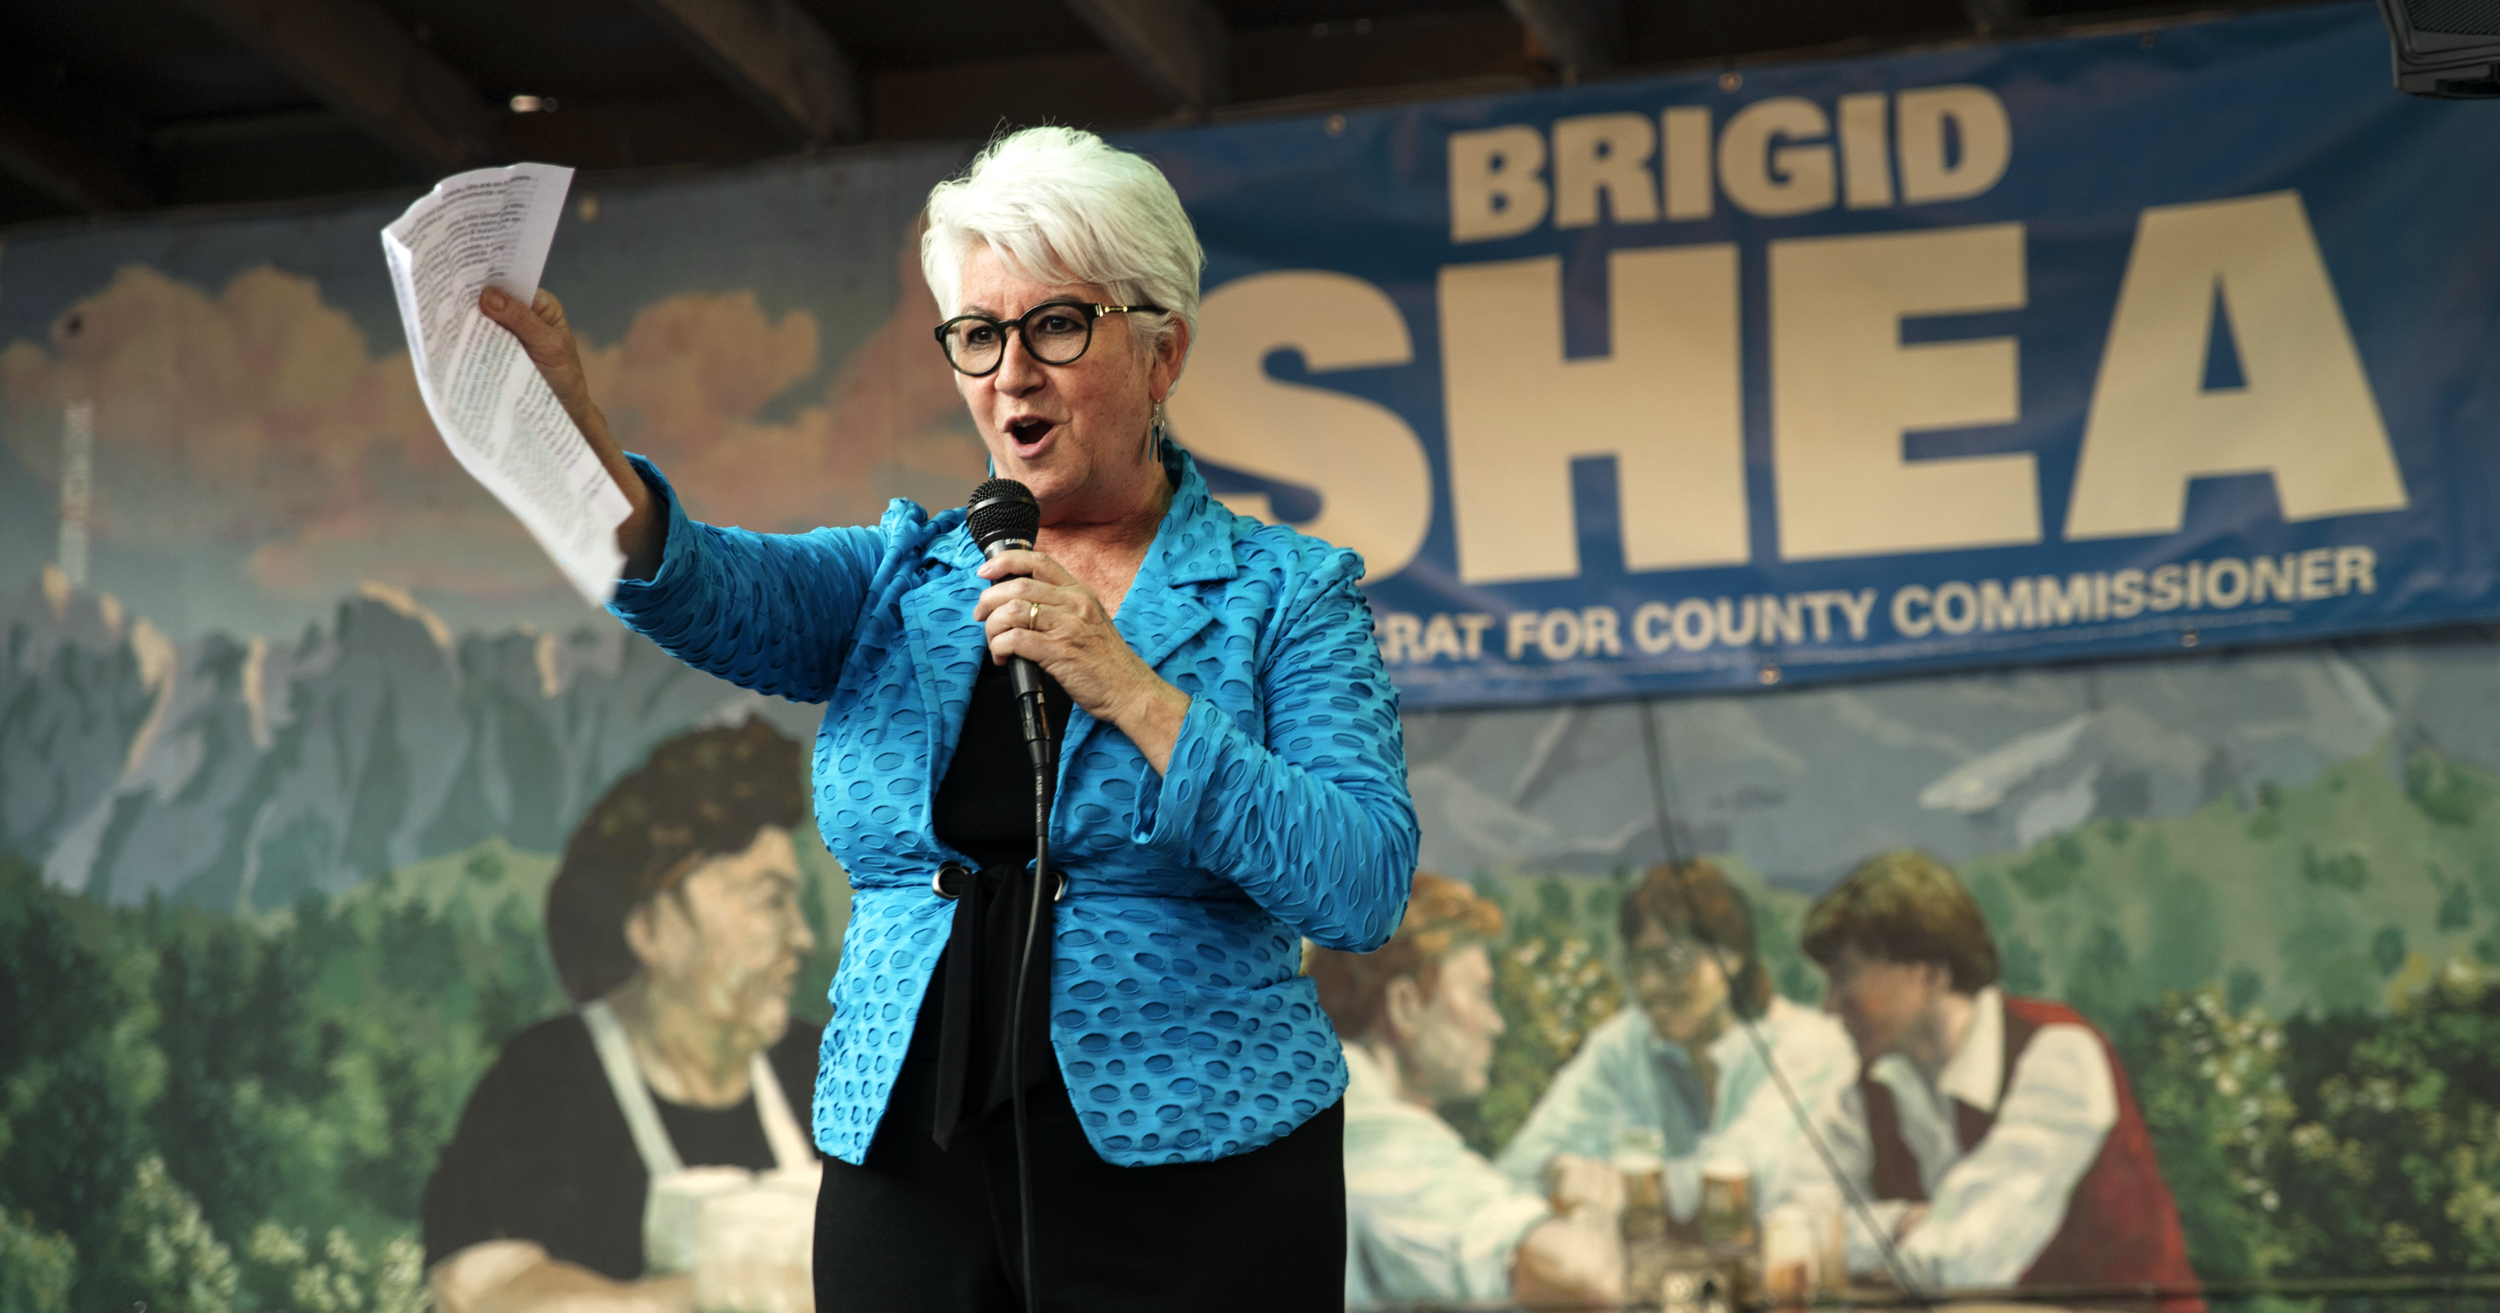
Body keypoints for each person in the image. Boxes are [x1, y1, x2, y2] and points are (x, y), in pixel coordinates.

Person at [476, 125, 1418, 1312]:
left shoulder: (1287, 591)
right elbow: (698, 581)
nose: (1010, 373)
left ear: (1162, 350)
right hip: (907, 1150)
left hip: (1199, 1156)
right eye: (978, 334)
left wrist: (1129, 686)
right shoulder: (901, 577)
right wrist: (568, 428)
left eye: (1055, 325)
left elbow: (1361, 880)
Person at [424, 719, 824, 1313]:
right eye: (770, 901)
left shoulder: (818, 1068)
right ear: (651, 928)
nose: (802, 937)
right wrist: (699, 1298)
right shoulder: (544, 1081)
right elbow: (480, 1288)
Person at [1764, 851, 2203, 1310]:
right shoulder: (1876, 1086)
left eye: (1846, 978)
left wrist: (1865, 1238)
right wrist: (1902, 1223)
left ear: (1929, 976)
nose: (1830, 1005)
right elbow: (1791, 1227)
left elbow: (1965, 1264)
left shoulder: (2059, 1055)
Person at [1309, 873, 1627, 1309]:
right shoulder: (1378, 1139)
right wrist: (1591, 1206)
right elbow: (1583, 1275)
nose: (1497, 1025)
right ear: (1405, 1006)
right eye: (1482, 994)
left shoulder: (1324, 1101)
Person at [1496, 860, 1856, 1227]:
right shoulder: (1622, 1045)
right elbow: (1519, 1167)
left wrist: (1621, 1187)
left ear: (1730, 955)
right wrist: (1556, 1171)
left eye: (1673, 961)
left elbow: (1744, 1173)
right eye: (1638, 966)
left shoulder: (1807, 1045)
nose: (1650, 986)